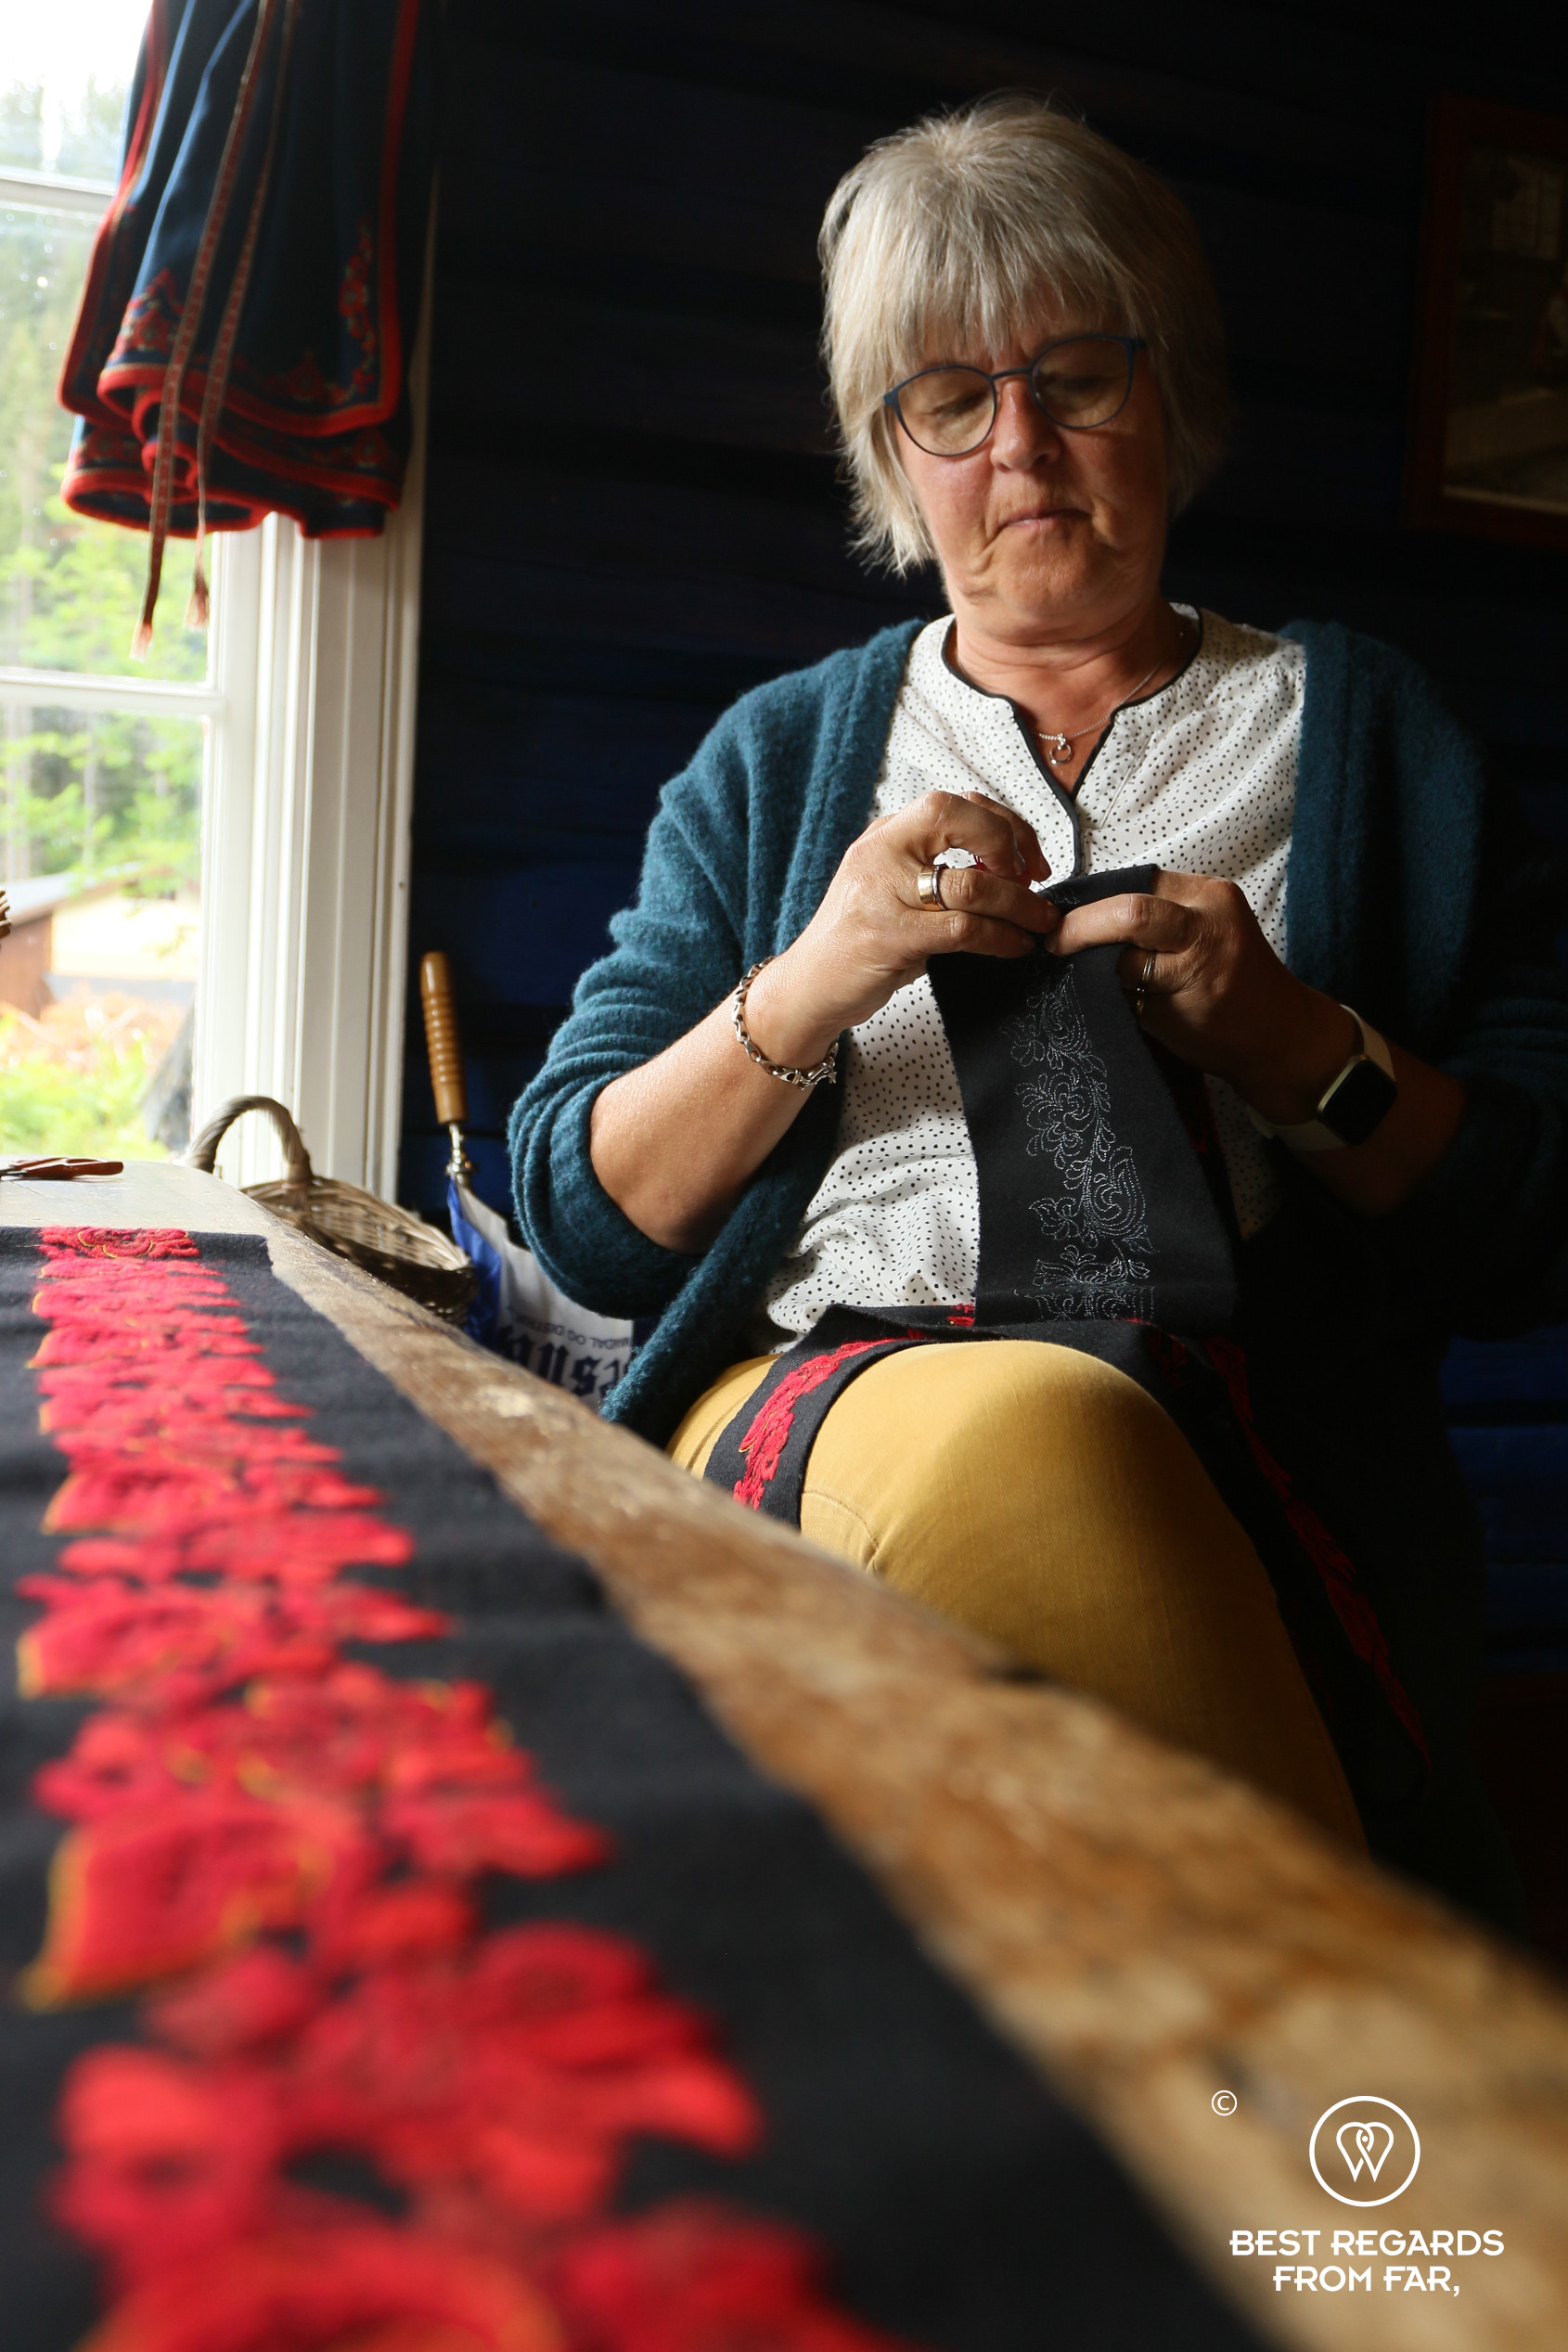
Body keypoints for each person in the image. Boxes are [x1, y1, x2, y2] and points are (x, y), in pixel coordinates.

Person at [510, 96, 1568, 1928]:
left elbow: (1529, 1226)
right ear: (888, 450)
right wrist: (827, 961)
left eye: (1075, 374)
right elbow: (584, 1215)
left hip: (1259, 1431)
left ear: (1168, 395)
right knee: (1037, 1440)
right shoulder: (780, 763)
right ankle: (1366, 2121)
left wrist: (1291, 1043)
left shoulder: (1373, 735)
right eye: (948, 398)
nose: (1019, 446)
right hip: (831, 1385)